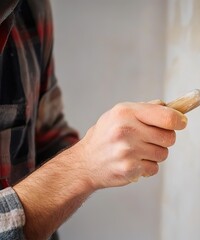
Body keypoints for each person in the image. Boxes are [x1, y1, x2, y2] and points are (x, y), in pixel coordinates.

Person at [0, 1, 187, 239]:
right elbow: (80, 164)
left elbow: (48, 139)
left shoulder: (33, 9)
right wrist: (83, 165)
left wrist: (104, 150)